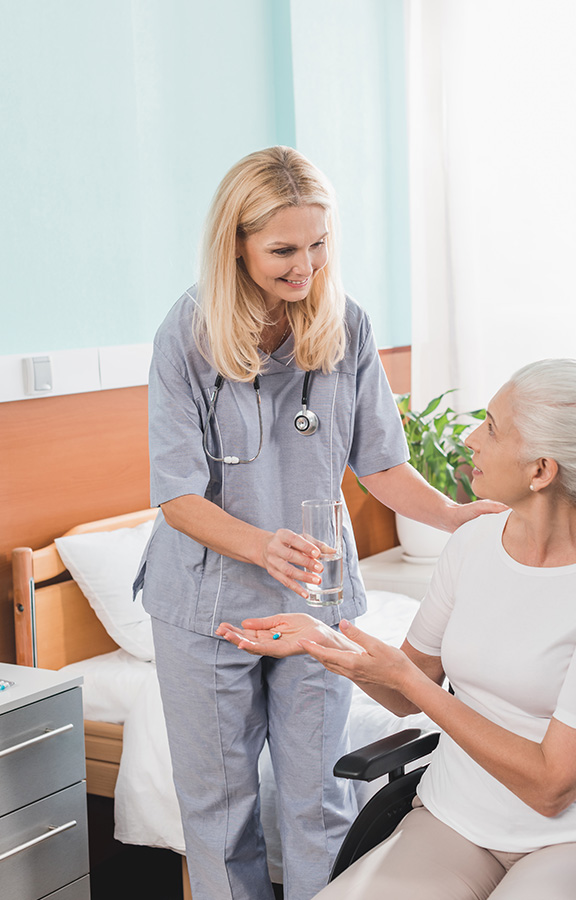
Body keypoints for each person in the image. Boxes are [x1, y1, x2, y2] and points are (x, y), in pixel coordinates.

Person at [136, 145, 504, 900]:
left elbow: (379, 463)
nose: (304, 267)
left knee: (321, 799)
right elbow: (176, 495)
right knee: (220, 813)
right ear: (235, 244)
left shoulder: (347, 326)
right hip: (207, 609)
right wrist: (260, 545)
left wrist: (454, 514)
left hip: (316, 598)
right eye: (282, 250)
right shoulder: (187, 335)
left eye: (318, 244)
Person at [218, 358, 576, 900]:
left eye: (493, 428)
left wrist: (410, 681)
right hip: (458, 817)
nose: (473, 438)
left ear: (541, 470)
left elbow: (554, 786)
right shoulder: (474, 542)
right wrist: (324, 643)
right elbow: (404, 692)